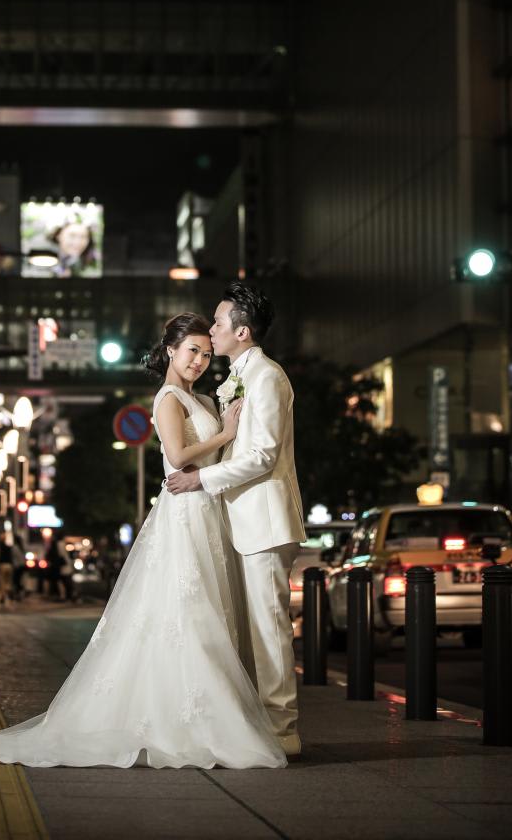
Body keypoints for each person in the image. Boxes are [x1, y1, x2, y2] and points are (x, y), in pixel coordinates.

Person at [0, 313, 286, 769]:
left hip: (205, 511)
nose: (200, 361)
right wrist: (225, 433)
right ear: (170, 350)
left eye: (205, 353)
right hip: (183, 513)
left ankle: (198, 714)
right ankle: (199, 721)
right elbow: (177, 455)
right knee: (188, 611)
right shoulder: (168, 398)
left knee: (200, 613)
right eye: (192, 351)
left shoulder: (201, 397)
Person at [167, 282, 306, 759]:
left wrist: (201, 480)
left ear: (242, 331)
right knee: (250, 632)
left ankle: (283, 730)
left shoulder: (267, 377)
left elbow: (263, 455)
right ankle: (259, 726)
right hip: (240, 519)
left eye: (219, 322)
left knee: (269, 629)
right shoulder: (237, 378)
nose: (212, 329)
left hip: (265, 520)